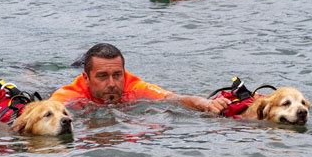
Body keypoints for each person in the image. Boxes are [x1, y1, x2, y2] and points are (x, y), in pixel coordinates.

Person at [50, 43, 230, 114]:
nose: (112, 84)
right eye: (102, 77)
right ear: (86, 78)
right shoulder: (69, 94)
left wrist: (205, 104)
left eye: (117, 75)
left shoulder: (133, 86)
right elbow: (42, 112)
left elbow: (173, 98)